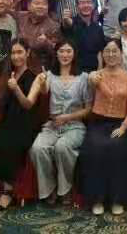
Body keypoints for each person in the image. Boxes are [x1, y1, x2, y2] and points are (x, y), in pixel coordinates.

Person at [79, 39, 127, 215]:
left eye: (115, 51)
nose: (111, 54)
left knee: (119, 149)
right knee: (96, 149)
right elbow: (89, 94)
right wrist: (92, 78)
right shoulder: (95, 75)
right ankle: (97, 199)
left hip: (121, 123)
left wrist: (124, 127)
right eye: (107, 51)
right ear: (102, 54)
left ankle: (117, 199)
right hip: (98, 123)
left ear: (121, 54)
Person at [29, 40, 92, 204]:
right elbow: (44, 92)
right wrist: (42, 85)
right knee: (37, 148)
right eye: (61, 51)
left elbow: (88, 109)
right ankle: (49, 188)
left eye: (68, 51)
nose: (65, 55)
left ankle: (66, 189)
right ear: (56, 54)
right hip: (52, 126)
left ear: (74, 54)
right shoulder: (49, 76)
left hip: (75, 126)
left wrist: (67, 118)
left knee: (62, 147)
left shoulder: (83, 77)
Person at [0, 39, 40, 210]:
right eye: (13, 53)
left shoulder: (35, 76)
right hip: (7, 121)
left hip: (26, 123)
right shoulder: (7, 75)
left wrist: (16, 89)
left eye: (20, 52)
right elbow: (1, 106)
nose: (16, 56)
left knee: (9, 144)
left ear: (27, 53)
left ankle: (7, 192)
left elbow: (28, 104)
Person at [60, 0, 107, 73]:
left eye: (89, 2)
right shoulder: (71, 22)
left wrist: (99, 72)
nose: (86, 5)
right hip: (74, 73)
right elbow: (66, 25)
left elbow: (99, 52)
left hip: (94, 73)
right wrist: (66, 19)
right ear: (77, 6)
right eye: (82, 3)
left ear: (93, 5)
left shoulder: (98, 28)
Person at [16, 0, 61, 72]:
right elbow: (5, 12)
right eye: (37, 3)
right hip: (18, 68)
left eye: (44, 4)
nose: (40, 6)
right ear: (29, 6)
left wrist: (46, 42)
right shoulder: (21, 17)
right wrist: (15, 2)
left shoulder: (54, 26)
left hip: (39, 71)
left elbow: (58, 53)